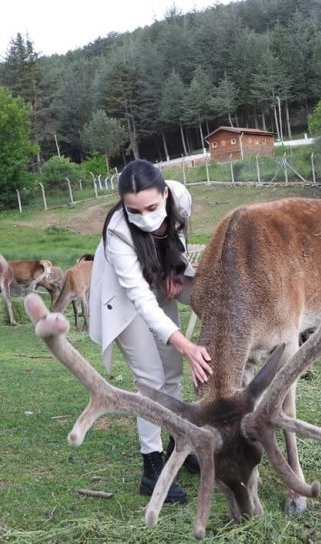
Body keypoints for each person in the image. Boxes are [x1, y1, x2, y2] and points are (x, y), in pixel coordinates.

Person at [88, 159, 212, 504]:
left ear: (166, 193)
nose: (144, 216)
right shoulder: (117, 233)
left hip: (159, 279)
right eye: (134, 210)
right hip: (127, 301)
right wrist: (187, 344)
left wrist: (175, 268)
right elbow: (141, 300)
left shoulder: (180, 198)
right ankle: (152, 468)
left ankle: (179, 447)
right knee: (151, 380)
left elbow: (179, 235)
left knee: (171, 372)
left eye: (152, 207)